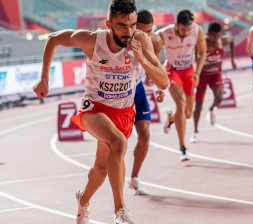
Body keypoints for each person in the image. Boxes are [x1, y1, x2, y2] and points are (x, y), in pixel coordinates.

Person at [33, 0, 168, 224]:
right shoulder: (92, 40)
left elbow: (163, 82)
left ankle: (83, 201)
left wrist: (142, 59)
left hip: (124, 111)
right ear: (109, 24)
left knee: (101, 168)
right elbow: (53, 38)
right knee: (119, 144)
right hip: (95, 109)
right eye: (122, 26)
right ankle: (120, 211)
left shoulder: (141, 40)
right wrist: (44, 79)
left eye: (133, 25)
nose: (129, 31)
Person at [156, 9, 206, 161]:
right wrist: (158, 83)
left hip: (189, 72)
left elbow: (202, 53)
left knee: (188, 113)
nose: (186, 33)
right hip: (172, 71)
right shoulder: (163, 34)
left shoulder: (197, 31)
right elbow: (155, 57)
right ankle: (183, 147)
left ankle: (172, 117)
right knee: (181, 104)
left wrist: (197, 73)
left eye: (188, 30)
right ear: (176, 24)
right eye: (183, 30)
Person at [127, 9, 165, 195]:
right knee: (116, 142)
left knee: (145, 134)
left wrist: (158, 87)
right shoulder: (121, 40)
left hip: (138, 88)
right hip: (118, 92)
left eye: (150, 31)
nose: (147, 36)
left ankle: (134, 178)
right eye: (143, 31)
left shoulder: (155, 40)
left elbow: (155, 69)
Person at [190, 21, 237, 143]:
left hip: (216, 74)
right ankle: (195, 131)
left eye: (218, 35)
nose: (216, 38)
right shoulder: (201, 44)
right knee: (198, 106)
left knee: (220, 97)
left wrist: (232, 59)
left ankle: (212, 108)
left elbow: (232, 40)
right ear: (208, 34)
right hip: (202, 75)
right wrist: (215, 63)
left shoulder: (223, 40)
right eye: (213, 36)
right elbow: (198, 66)